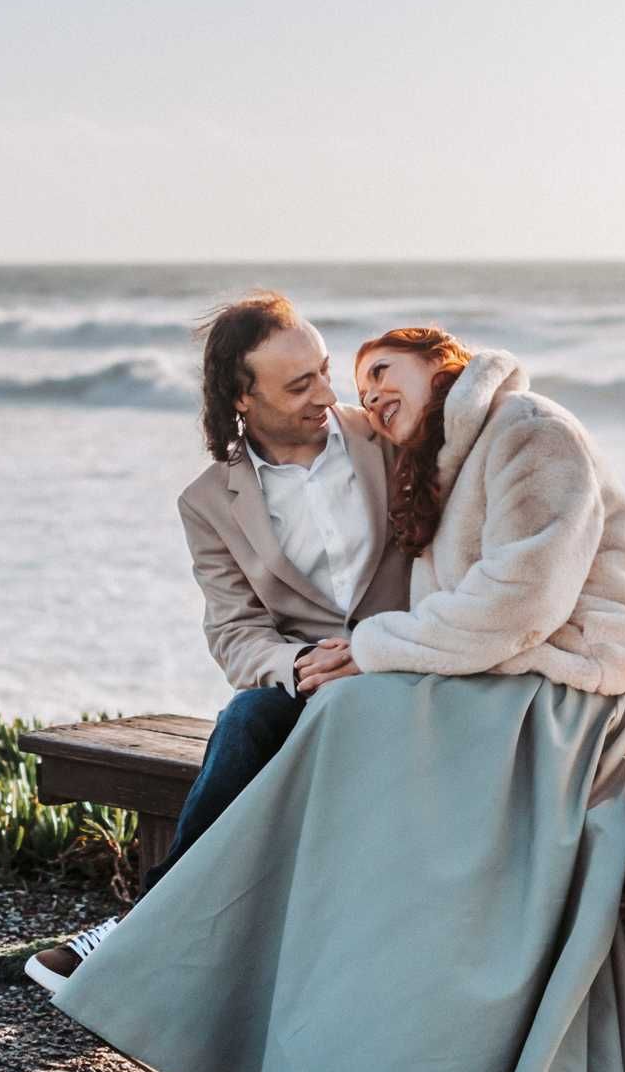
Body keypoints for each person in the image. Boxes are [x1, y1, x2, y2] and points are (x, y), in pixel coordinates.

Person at [51, 326, 625, 1072]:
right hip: (484, 676)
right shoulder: (420, 463)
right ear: (243, 400)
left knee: (353, 717)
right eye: (346, 383)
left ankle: (259, 1007)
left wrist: (373, 648)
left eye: (376, 372)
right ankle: (212, 1003)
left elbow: (521, 599)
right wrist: (327, 663)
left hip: (577, 687)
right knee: (302, 716)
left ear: (441, 361)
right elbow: (242, 631)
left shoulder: (529, 429)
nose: (359, 395)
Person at [25, 290, 408, 991]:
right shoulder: (207, 503)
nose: (327, 393)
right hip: (313, 691)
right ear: (241, 396)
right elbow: (234, 631)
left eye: (324, 369)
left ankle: (141, 931)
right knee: (250, 717)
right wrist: (300, 664)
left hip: (417, 667)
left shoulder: (388, 439)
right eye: (299, 384)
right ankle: (152, 934)